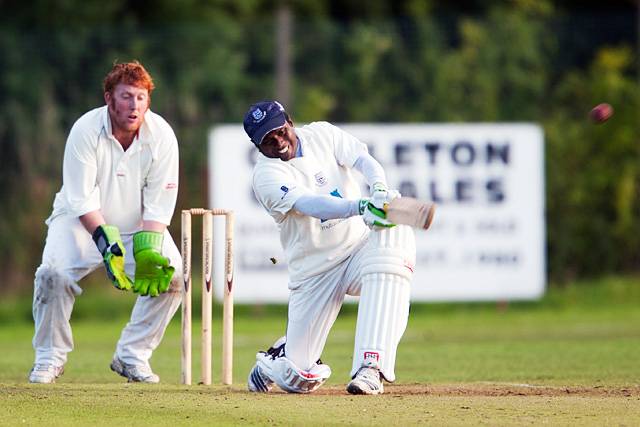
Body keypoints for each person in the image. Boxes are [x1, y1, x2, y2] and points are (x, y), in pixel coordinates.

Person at [243, 101, 416, 395]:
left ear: (289, 121)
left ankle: (370, 367)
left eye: (280, 131)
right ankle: (276, 360)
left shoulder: (322, 134)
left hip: (359, 249)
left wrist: (378, 189)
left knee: (395, 232)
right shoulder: (265, 176)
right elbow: (309, 204)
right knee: (298, 378)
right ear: (258, 147)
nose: (278, 142)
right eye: (267, 141)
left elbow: (363, 159)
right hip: (314, 271)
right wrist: (361, 206)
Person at [29, 61, 181, 384]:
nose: (134, 105)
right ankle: (49, 358)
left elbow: (159, 204)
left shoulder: (162, 136)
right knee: (52, 275)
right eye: (126, 96)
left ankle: (132, 355)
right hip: (79, 223)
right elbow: (81, 199)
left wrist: (148, 249)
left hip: (135, 227)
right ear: (109, 98)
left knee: (174, 278)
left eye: (141, 97)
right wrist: (105, 242)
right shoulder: (85, 130)